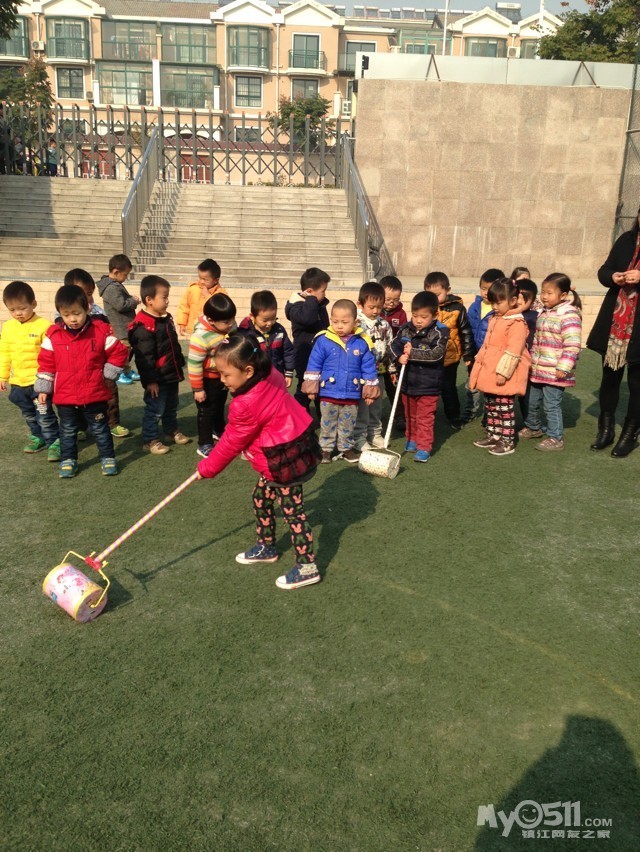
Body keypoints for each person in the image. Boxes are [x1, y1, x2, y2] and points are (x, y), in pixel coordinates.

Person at [196, 334, 322, 590]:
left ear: (248, 371)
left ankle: (307, 567)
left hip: (284, 460)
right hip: (286, 449)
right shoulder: (270, 373)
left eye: (226, 374)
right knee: (261, 499)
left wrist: (206, 468)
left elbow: (231, 442)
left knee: (294, 514)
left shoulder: (245, 404)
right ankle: (267, 546)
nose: (222, 380)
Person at [34, 284, 128, 478]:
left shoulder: (100, 331)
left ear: (87, 308)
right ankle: (69, 459)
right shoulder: (53, 336)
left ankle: (108, 458)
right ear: (60, 313)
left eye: (77, 313)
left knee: (100, 429)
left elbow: (119, 352)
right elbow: (46, 363)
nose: (72, 319)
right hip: (65, 397)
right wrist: (43, 388)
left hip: (95, 394)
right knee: (68, 431)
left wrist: (109, 373)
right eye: (66, 314)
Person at [587, 207, 640, 457]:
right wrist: (614, 276)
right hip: (615, 323)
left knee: (637, 382)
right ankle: (606, 429)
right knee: (610, 377)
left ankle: (629, 434)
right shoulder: (626, 240)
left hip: (637, 325)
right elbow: (604, 270)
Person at [302, 299, 380, 464]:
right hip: (328, 390)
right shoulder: (323, 340)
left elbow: (369, 367)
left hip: (352, 391)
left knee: (348, 423)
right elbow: (314, 363)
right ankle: (325, 449)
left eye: (344, 322)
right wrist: (311, 387)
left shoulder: (362, 342)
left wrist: (369, 391)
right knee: (327, 422)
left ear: (355, 322)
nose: (339, 326)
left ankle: (346, 448)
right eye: (335, 321)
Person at [63, 268, 129, 439]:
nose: (87, 298)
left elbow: (108, 334)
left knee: (109, 392)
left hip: (101, 365)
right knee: (77, 398)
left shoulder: (98, 312)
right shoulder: (63, 316)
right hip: (78, 368)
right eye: (82, 294)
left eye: (89, 293)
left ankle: (113, 423)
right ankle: (80, 426)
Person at [519, 274, 582, 452]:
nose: (544, 296)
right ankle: (533, 427)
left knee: (551, 405)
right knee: (531, 400)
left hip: (555, 372)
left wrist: (564, 367)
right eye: (543, 292)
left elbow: (573, 344)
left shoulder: (569, 315)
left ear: (563, 295)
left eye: (549, 293)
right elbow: (537, 341)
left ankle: (556, 438)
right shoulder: (543, 312)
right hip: (538, 369)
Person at [128, 275, 190, 455]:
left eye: (167, 296)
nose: (167, 300)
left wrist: (179, 363)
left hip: (171, 374)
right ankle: (150, 440)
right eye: (164, 297)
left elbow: (172, 346)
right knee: (155, 410)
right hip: (157, 378)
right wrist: (150, 381)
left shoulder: (165, 318)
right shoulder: (144, 326)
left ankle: (171, 430)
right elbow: (144, 359)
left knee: (171, 406)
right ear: (149, 300)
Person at [469, 278, 531, 456]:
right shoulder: (496, 318)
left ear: (513, 301)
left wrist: (503, 373)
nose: (494, 306)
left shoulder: (516, 323)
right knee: (491, 405)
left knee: (504, 408)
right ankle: (494, 434)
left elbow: (514, 351)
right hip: (490, 369)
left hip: (504, 372)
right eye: (493, 303)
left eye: (498, 302)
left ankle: (507, 440)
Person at [0, 280, 60, 460]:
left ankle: (55, 442)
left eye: (22, 308)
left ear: (33, 304)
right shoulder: (8, 327)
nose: (17, 313)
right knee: (29, 415)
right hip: (18, 383)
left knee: (44, 414)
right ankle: (37, 437)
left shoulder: (45, 326)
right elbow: (5, 352)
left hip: (38, 383)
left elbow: (52, 356)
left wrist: (50, 379)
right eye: (12, 310)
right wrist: (2, 376)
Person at [390, 291, 449, 463]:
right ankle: (412, 439)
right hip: (408, 382)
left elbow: (436, 354)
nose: (418, 320)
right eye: (415, 315)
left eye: (424, 317)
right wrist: (398, 357)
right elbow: (393, 345)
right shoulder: (405, 328)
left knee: (425, 418)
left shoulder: (440, 332)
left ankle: (424, 447)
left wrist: (412, 353)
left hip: (428, 385)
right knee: (410, 414)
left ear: (435, 315)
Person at [188, 293, 236, 458]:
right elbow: (194, 365)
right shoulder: (201, 338)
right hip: (207, 381)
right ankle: (204, 443)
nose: (231, 324)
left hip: (221, 378)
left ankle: (219, 430)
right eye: (226, 322)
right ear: (211, 320)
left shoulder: (227, 327)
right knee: (206, 412)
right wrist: (198, 389)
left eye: (232, 319)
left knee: (219, 406)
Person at [424, 271, 474, 429]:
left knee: (448, 388)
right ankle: (427, 415)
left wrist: (468, 353)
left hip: (449, 358)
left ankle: (453, 416)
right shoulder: (424, 307)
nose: (433, 299)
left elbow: (465, 332)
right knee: (428, 389)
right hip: (429, 358)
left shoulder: (458, 308)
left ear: (448, 290)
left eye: (437, 295)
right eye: (429, 295)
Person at [353, 281, 394, 451]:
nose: (376, 311)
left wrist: (392, 369)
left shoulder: (384, 324)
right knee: (362, 407)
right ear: (360, 304)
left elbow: (390, 347)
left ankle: (375, 433)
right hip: (361, 374)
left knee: (376, 405)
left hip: (379, 372)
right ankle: (359, 436)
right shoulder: (355, 324)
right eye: (371, 307)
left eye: (379, 306)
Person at [285, 267, 330, 410]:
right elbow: (308, 319)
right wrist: (311, 299)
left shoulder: (317, 305)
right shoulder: (297, 307)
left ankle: (322, 417)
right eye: (323, 291)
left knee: (320, 389)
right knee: (305, 389)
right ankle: (298, 417)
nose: (324, 294)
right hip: (305, 357)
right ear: (310, 291)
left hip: (319, 355)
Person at [463, 268, 505, 423]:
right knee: (471, 385)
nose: (486, 293)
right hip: (474, 355)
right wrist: (468, 352)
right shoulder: (474, 306)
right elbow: (467, 330)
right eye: (483, 288)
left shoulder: (500, 310)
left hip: (491, 357)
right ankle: (470, 411)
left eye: (490, 289)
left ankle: (489, 414)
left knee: (489, 386)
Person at [97, 253, 141, 385]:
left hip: (124, 325)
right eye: (125, 274)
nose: (126, 278)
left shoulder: (114, 285)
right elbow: (120, 305)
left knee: (127, 350)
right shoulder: (111, 287)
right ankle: (119, 372)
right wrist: (133, 301)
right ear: (116, 272)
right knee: (122, 350)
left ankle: (126, 370)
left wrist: (130, 299)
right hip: (119, 326)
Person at [238, 290, 295, 385]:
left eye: (273, 318)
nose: (269, 323)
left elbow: (288, 351)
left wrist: (289, 372)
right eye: (265, 320)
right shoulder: (246, 333)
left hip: (277, 376)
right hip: (256, 379)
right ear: (252, 316)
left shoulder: (279, 330)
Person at [380, 275, 407, 430]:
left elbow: (404, 335)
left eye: (396, 299)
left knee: (394, 388)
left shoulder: (401, 314)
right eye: (388, 299)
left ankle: (399, 416)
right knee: (374, 386)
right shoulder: (375, 311)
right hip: (377, 359)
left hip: (392, 360)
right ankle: (369, 415)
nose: (391, 303)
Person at [176, 258, 226, 336]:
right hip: (192, 331)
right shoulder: (193, 289)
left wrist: (208, 296)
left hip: (210, 333)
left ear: (216, 280)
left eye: (206, 279)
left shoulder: (221, 293)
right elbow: (184, 307)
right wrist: (182, 324)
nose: (202, 281)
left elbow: (220, 311)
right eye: (200, 278)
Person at [515, 278, 539, 422]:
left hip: (527, 363)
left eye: (525, 298)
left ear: (533, 300)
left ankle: (529, 422)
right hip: (510, 361)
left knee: (526, 395)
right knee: (503, 394)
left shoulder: (535, 318)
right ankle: (494, 420)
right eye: (517, 297)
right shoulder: (506, 315)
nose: (520, 301)